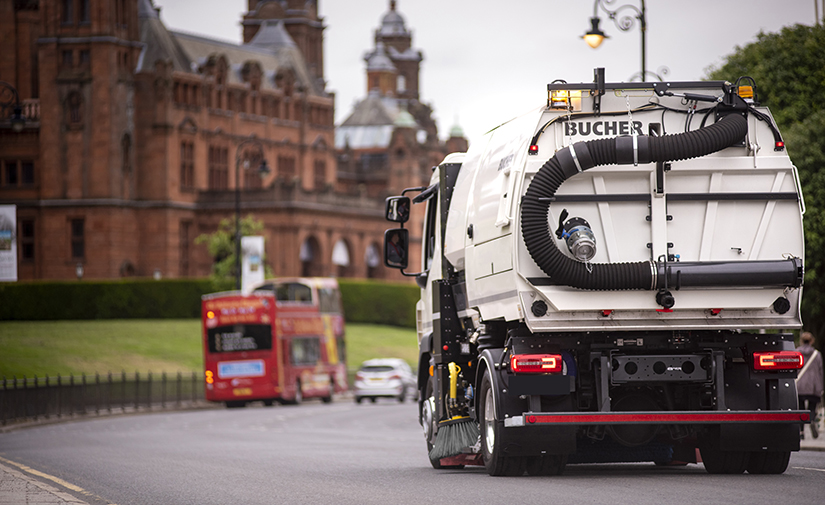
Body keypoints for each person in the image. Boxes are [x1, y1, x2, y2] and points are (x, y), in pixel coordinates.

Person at [797, 332, 824, 439]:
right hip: (813, 385)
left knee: (801, 409)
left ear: (801, 340)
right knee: (812, 407)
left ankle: (801, 432)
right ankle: (812, 419)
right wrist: (820, 387)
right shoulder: (817, 354)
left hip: (800, 384)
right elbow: (820, 370)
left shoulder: (797, 352)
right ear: (812, 341)